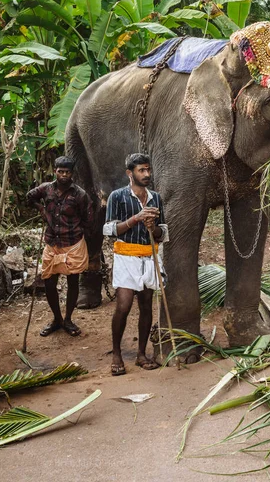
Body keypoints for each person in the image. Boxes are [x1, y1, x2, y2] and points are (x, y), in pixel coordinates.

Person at [103, 153, 168, 376]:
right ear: (130, 173)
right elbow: (109, 230)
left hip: (149, 255)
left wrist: (153, 227)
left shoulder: (156, 198)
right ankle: (116, 353)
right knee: (123, 305)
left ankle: (141, 354)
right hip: (126, 256)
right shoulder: (117, 197)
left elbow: (163, 233)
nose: (147, 174)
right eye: (142, 170)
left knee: (146, 304)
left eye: (148, 170)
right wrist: (136, 219)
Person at [26, 156, 92, 337]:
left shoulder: (80, 195)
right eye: (60, 171)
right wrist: (42, 209)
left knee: (72, 282)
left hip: (72, 243)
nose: (64, 175)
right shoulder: (46, 189)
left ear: (72, 173)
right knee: (49, 281)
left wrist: (82, 233)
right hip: (52, 242)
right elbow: (29, 197)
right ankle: (57, 319)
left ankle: (68, 319)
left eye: (67, 172)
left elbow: (88, 219)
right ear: (55, 170)